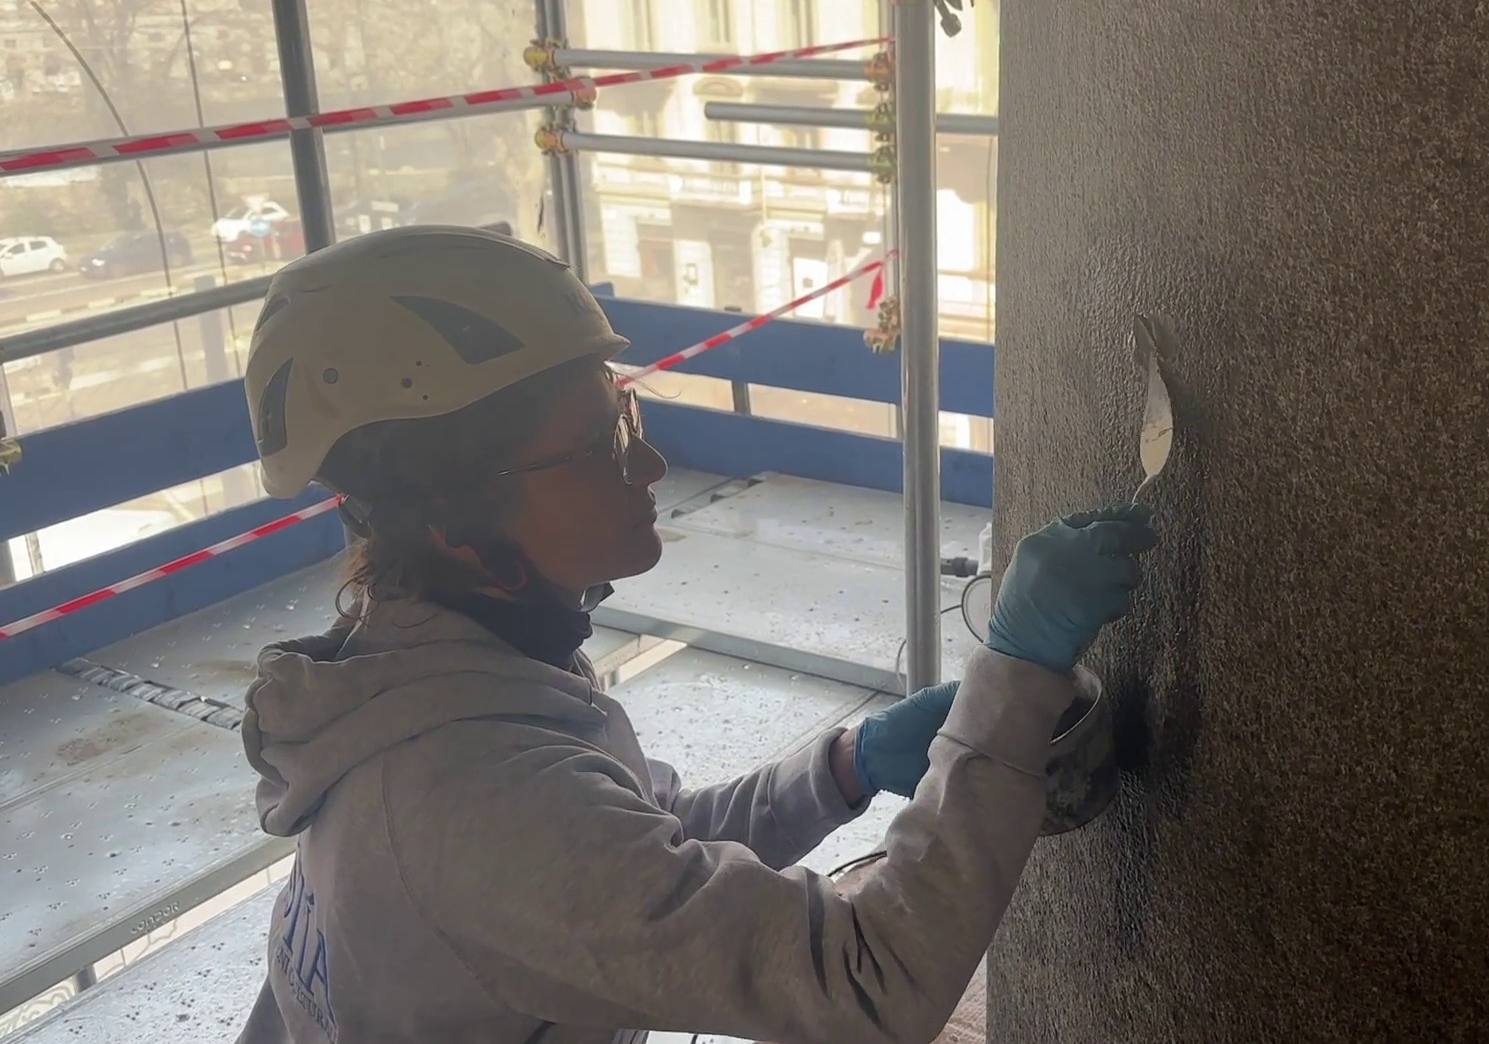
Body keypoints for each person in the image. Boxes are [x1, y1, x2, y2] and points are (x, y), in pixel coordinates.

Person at [234, 225, 1158, 1044]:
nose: (650, 462)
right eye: (599, 442)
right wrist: (1019, 673)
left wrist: (847, 764)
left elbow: (642, 851)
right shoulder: (466, 803)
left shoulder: (446, 673)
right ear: (455, 524)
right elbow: (865, 986)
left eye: (624, 416)